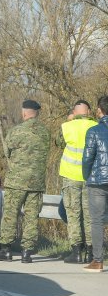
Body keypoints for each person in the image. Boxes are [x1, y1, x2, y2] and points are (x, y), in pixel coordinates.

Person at [0, 99, 51, 263]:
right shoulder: (45, 132)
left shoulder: (16, 131)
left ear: (24, 112)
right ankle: (27, 252)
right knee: (32, 216)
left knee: (11, 214)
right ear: (36, 112)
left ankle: (6, 250)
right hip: (36, 182)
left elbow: (7, 152)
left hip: (17, 181)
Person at [57, 100, 98, 264]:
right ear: (88, 112)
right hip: (90, 177)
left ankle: (76, 252)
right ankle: (90, 252)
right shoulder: (96, 126)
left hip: (71, 176)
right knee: (90, 215)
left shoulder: (67, 127)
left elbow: (58, 143)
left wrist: (69, 121)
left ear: (74, 112)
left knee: (73, 214)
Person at [81, 95, 108, 272]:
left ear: (99, 110)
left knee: (97, 221)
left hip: (98, 182)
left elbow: (87, 158)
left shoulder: (94, 131)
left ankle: (98, 261)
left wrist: (87, 176)